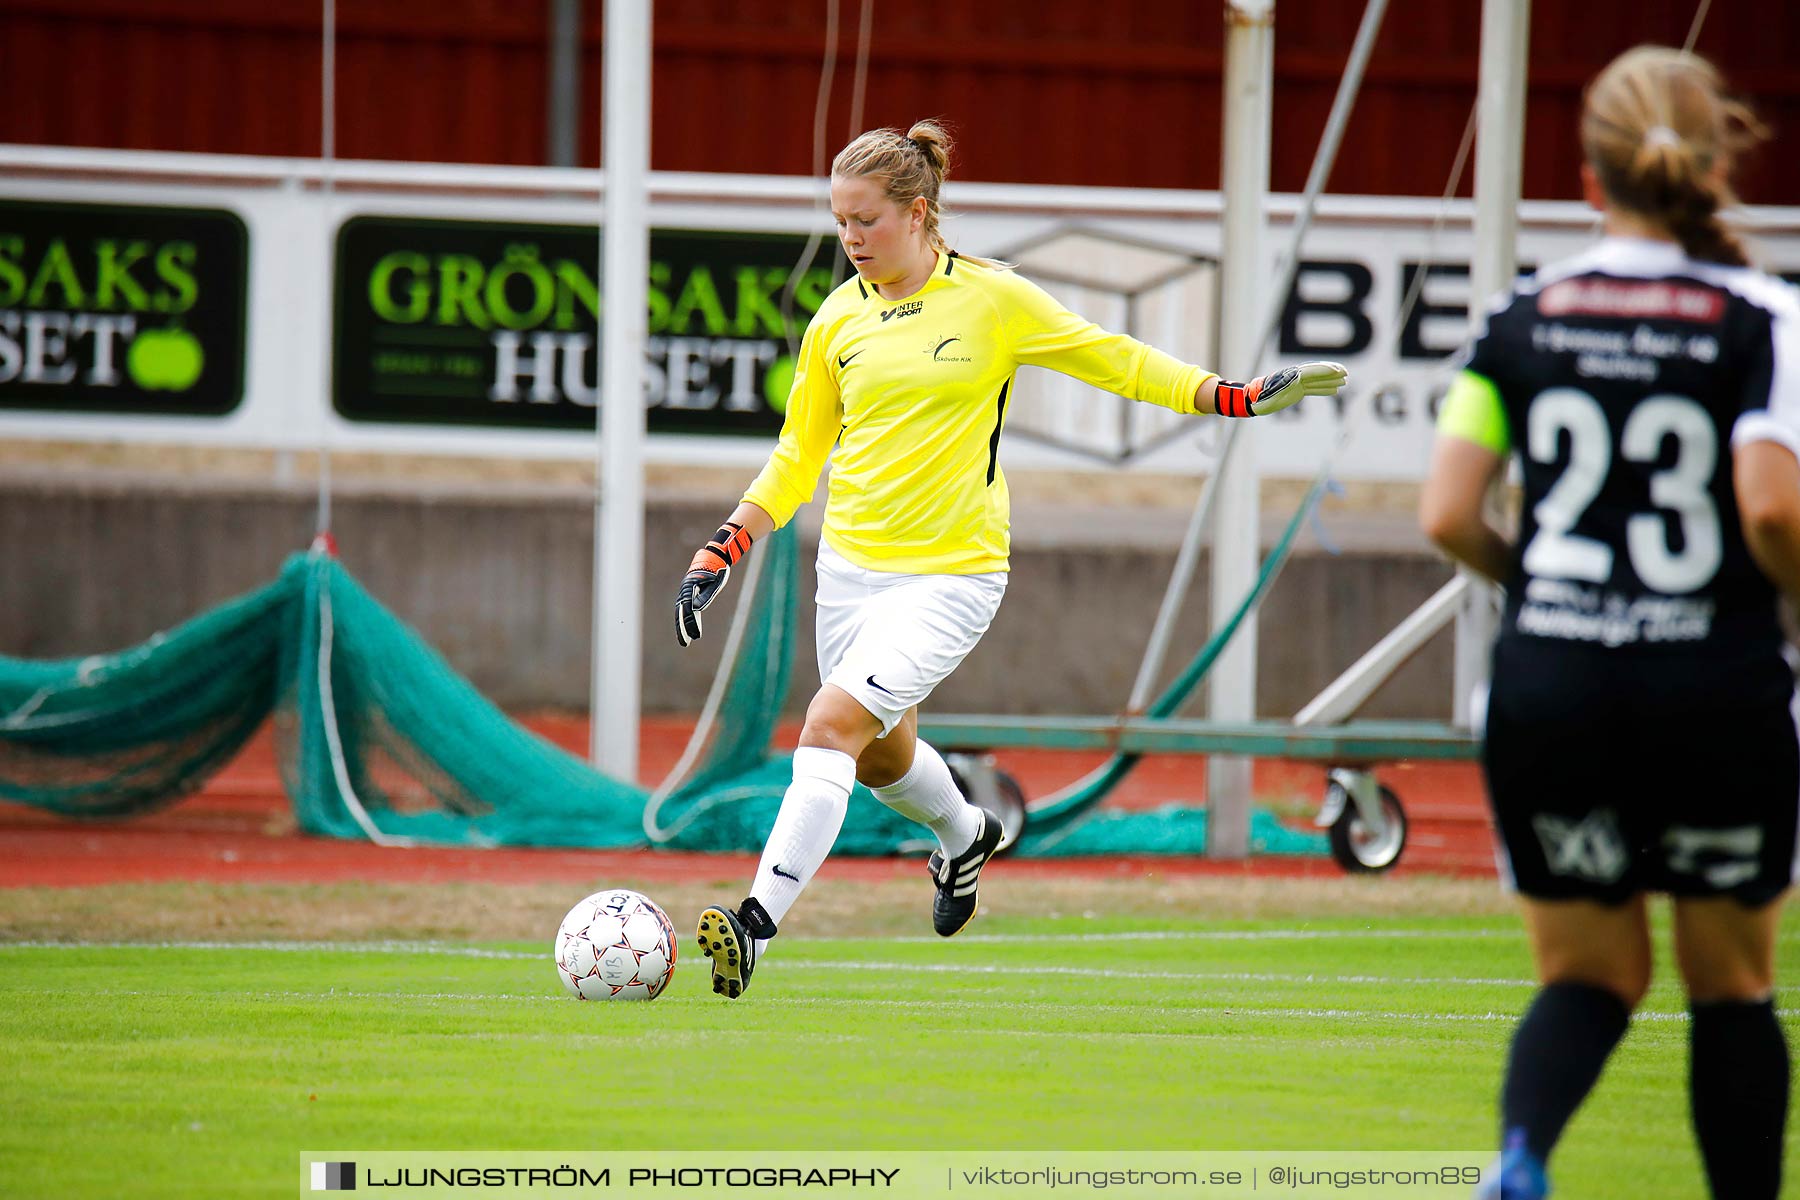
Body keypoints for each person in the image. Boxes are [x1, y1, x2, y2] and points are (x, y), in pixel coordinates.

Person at [676, 118, 1347, 1000]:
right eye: (839, 223)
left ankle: (756, 925)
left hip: (951, 575)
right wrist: (728, 542)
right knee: (878, 759)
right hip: (849, 574)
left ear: (919, 213)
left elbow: (1114, 359)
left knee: (830, 725)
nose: (849, 241)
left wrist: (1227, 396)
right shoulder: (837, 318)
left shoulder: (993, 299)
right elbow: (798, 457)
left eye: (865, 222)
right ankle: (965, 836)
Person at [1420, 46, 1797, 1200]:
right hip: (1712, 686)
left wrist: (1541, 589)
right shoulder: (1763, 316)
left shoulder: (1518, 317)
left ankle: (1523, 1158)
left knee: (1586, 974)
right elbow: (1773, 510)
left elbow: (1445, 513)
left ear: (1589, 180)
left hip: (1553, 686)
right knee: (1729, 979)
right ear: (1719, 164)